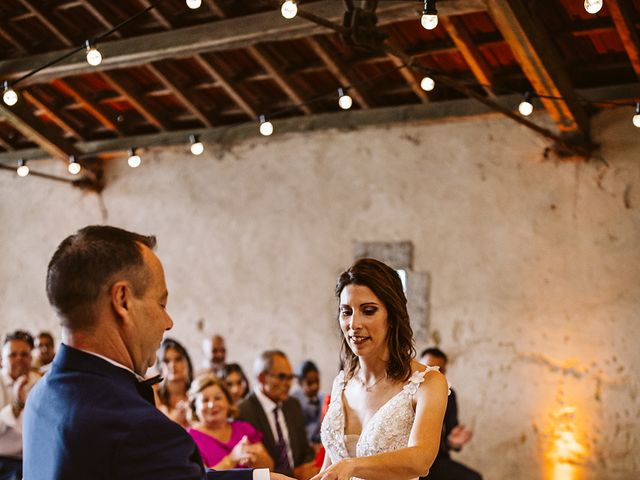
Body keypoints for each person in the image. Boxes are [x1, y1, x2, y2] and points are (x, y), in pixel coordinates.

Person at [23, 225, 293, 480]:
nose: (168, 322)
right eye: (161, 303)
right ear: (122, 301)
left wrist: (261, 477)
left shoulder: (41, 395)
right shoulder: (136, 427)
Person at [314, 258, 449, 480]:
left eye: (368, 310)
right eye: (346, 312)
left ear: (393, 317)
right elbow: (329, 472)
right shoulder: (341, 382)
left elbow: (421, 460)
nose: (354, 324)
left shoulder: (428, 383)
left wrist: (352, 466)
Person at [237, 350, 318, 479]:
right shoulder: (242, 412)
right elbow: (251, 465)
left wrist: (307, 466)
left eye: (290, 377)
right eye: (281, 376)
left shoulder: (292, 405)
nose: (288, 383)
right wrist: (293, 474)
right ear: (262, 378)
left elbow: (305, 449)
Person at [188, 373, 273, 470]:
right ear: (194, 406)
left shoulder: (244, 428)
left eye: (218, 398)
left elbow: (270, 466)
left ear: (228, 401)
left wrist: (256, 459)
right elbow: (200, 477)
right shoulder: (189, 439)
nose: (212, 405)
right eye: (205, 400)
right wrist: (232, 459)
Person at [420, 348, 481, 480]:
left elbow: (451, 437)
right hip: (409, 459)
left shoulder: (449, 394)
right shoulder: (407, 391)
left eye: (439, 369)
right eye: (428, 367)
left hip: (437, 461)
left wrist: (454, 441)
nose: (433, 373)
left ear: (445, 372)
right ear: (419, 366)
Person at [0, 330, 40, 480]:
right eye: (12, 355)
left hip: (31, 460)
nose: (19, 359)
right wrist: (16, 405)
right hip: (3, 460)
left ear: (31, 358)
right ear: (2, 360)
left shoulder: (41, 383)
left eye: (24, 355)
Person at [157, 337, 194, 427]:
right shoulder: (153, 394)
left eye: (178, 359)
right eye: (166, 361)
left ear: (187, 362)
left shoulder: (197, 393)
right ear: (160, 367)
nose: (172, 365)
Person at [291, 360, 325, 450]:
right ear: (300, 383)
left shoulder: (322, 397)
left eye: (317, 381)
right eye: (309, 383)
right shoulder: (293, 401)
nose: (315, 386)